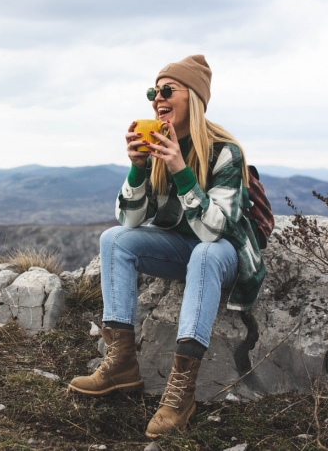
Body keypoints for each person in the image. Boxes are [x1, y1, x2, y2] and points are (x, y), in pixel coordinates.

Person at [68, 55, 266, 439]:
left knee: (205, 253)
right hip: (181, 249)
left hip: (223, 251)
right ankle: (121, 362)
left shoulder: (225, 152)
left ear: (193, 97)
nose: (157, 98)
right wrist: (138, 166)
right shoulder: (158, 146)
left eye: (166, 90)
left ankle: (180, 393)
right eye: (153, 92)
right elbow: (127, 222)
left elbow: (214, 232)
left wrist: (180, 169)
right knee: (113, 240)